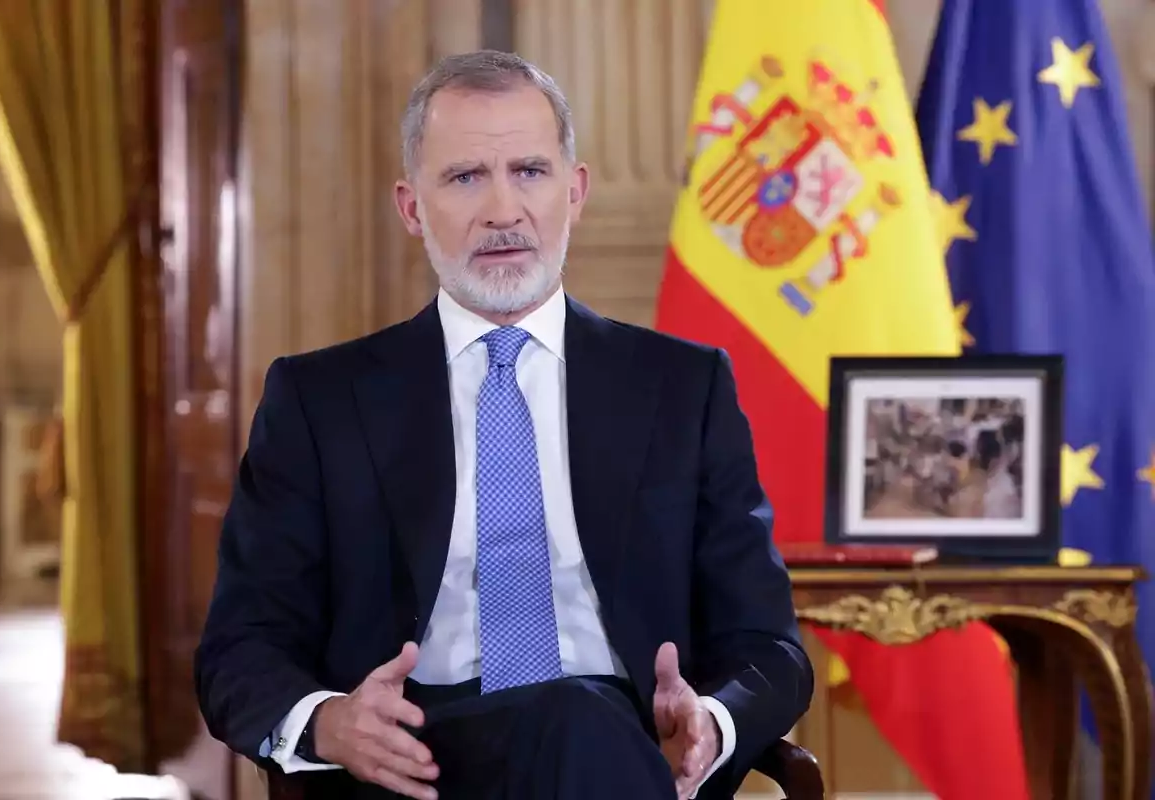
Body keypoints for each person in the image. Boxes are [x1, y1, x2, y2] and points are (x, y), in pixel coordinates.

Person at [194, 49, 812, 800]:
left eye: (529, 171)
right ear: (411, 207)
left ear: (574, 191)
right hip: (414, 762)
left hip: (622, 741)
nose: (502, 211)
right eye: (464, 178)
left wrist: (711, 720)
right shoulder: (320, 400)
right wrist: (329, 722)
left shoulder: (684, 388)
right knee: (573, 720)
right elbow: (238, 649)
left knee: (578, 717)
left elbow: (770, 647)